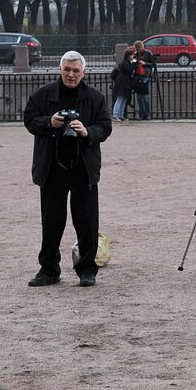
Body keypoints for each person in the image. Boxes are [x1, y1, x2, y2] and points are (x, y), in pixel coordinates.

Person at [23, 50, 112, 287]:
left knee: (87, 221)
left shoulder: (95, 97)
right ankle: (49, 269)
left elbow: (105, 127)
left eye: (75, 71)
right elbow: (29, 120)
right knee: (51, 221)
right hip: (52, 167)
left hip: (83, 168)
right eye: (67, 70)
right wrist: (48, 122)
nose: (70, 75)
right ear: (60, 70)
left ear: (84, 73)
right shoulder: (43, 95)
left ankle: (87, 269)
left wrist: (87, 132)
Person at [111, 50, 134, 121]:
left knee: (124, 99)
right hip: (122, 83)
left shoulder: (127, 62)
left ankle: (120, 115)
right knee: (120, 99)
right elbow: (129, 70)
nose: (132, 56)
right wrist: (134, 64)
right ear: (128, 55)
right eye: (131, 55)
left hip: (125, 83)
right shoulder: (124, 63)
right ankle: (115, 115)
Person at [133, 41, 154, 120]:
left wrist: (144, 63)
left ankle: (147, 114)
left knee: (145, 97)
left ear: (142, 46)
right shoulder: (135, 54)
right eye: (137, 48)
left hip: (145, 75)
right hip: (138, 76)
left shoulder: (148, 53)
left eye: (139, 48)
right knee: (139, 97)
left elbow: (153, 64)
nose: (138, 49)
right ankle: (142, 114)